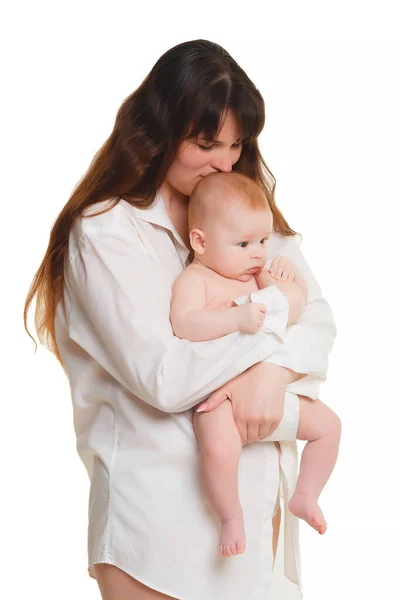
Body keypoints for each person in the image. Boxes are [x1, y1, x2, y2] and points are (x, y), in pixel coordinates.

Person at [24, 39, 337, 600]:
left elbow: (318, 324)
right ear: (157, 131)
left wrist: (272, 374)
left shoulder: (247, 213)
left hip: (260, 536)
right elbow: (166, 376)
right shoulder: (106, 233)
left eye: (236, 146)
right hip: (156, 541)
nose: (224, 161)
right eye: (205, 142)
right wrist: (272, 317)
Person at [170, 171, 341, 558]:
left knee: (329, 427)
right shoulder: (197, 279)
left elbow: (298, 306)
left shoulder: (255, 276)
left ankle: (306, 495)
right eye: (244, 243)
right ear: (200, 242)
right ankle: (231, 516)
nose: (258, 253)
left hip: (269, 395)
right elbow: (185, 323)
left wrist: (289, 278)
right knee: (218, 446)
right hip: (223, 400)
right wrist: (234, 319)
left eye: (263, 241)